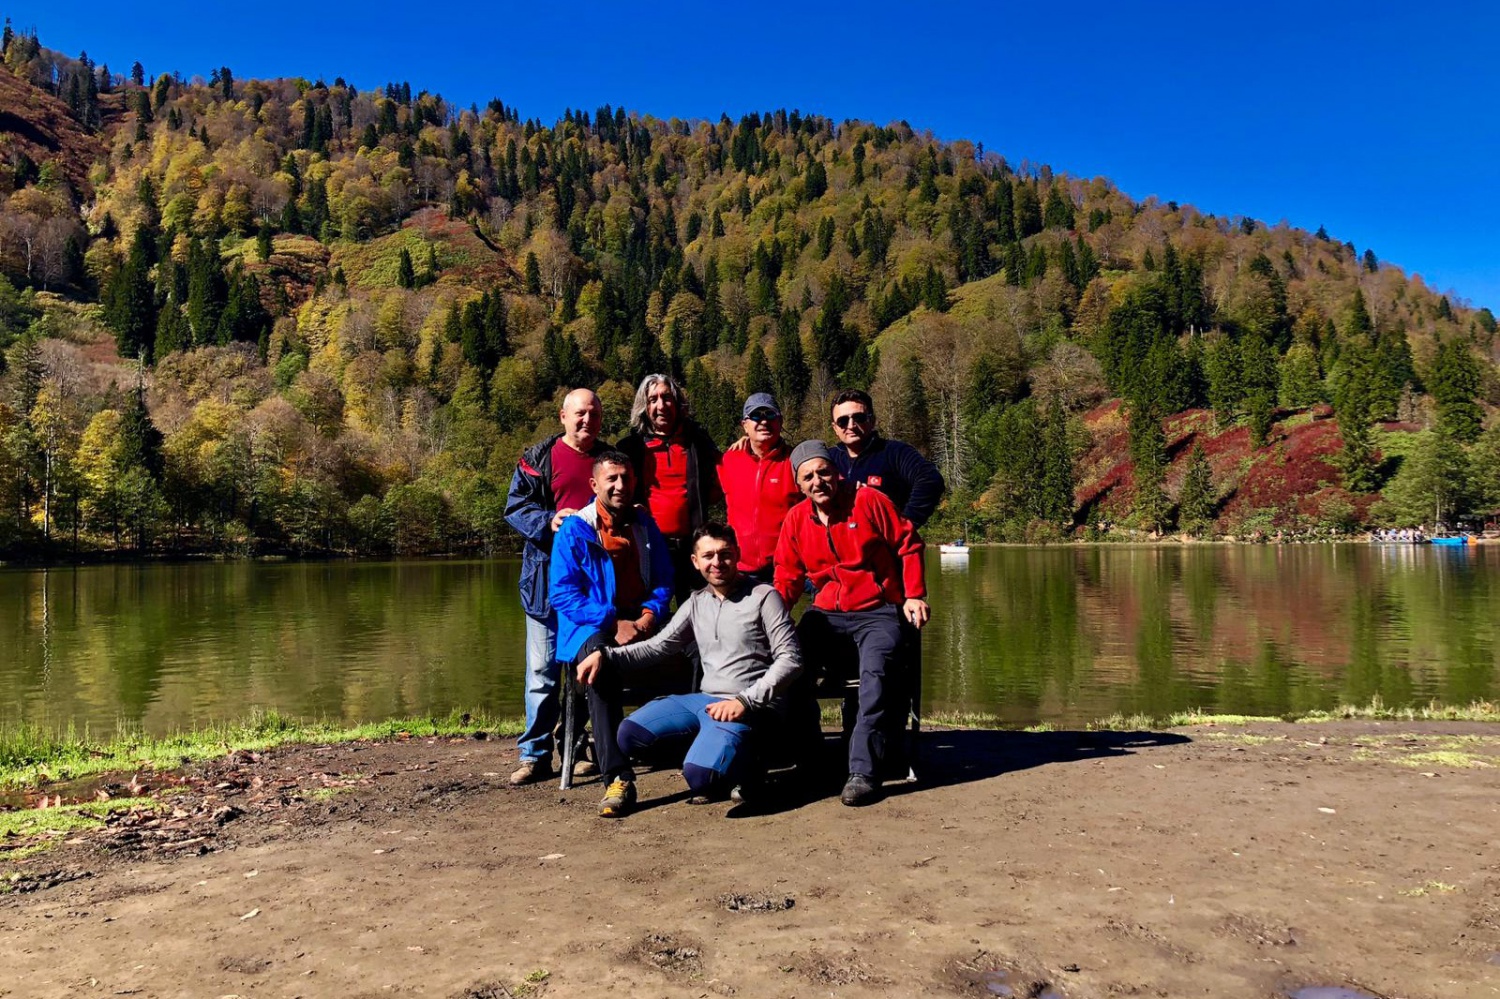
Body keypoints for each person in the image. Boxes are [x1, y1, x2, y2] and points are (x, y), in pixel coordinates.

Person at [576, 522, 803, 808]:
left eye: (725, 554)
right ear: (695, 562)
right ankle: (717, 752)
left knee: (700, 778)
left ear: (737, 553)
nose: (717, 562)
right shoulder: (697, 602)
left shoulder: (764, 596)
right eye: (708, 556)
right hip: (705, 701)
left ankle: (749, 763)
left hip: (751, 707)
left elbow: (791, 659)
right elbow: (658, 646)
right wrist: (606, 655)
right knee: (630, 734)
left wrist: (745, 701)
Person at [774, 440, 929, 807]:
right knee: (788, 670)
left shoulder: (870, 501)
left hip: (877, 610)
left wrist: (914, 594)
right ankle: (810, 759)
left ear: (836, 471)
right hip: (825, 613)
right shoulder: (796, 519)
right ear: (799, 485)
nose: (818, 481)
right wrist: (771, 617)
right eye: (808, 476)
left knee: (875, 678)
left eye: (823, 472)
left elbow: (909, 543)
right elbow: (787, 577)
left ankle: (863, 771)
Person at [549, 450, 674, 818]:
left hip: (640, 621)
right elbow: (562, 593)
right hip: (590, 628)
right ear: (594, 485)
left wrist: (650, 616)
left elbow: (664, 580)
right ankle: (617, 778)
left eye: (626, 478)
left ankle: (696, 747)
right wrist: (610, 622)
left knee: (697, 651)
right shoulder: (576, 529)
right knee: (600, 666)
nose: (620, 485)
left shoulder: (644, 525)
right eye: (612, 479)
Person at [503, 388, 607, 786]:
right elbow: (515, 507)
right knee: (542, 672)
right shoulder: (537, 458)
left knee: (585, 673)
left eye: (594, 414)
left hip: (591, 585)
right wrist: (549, 521)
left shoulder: (609, 460)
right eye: (580, 413)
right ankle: (534, 755)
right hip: (545, 581)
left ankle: (578, 749)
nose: (587, 421)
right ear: (563, 416)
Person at [616, 374, 723, 604]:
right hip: (648, 548)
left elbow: (723, 477)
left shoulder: (698, 441)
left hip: (693, 546)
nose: (660, 405)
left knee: (698, 619)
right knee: (648, 616)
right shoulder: (630, 448)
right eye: (653, 399)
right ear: (644, 407)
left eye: (666, 397)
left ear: (677, 402)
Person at [828, 389, 945, 529]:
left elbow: (930, 479)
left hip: (887, 547)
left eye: (859, 418)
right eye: (843, 421)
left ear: (872, 420)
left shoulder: (895, 453)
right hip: (842, 546)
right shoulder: (827, 459)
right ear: (835, 427)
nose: (851, 425)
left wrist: (905, 526)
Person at [716, 392, 801, 584]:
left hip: (784, 567)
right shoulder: (728, 460)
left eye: (770, 415)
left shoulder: (795, 461)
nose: (763, 421)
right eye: (756, 416)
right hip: (739, 568)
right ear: (744, 425)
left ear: (780, 421)